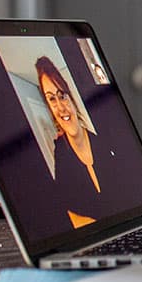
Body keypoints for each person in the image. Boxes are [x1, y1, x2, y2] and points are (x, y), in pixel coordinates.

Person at [36, 55, 111, 229]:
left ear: (71, 98)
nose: (61, 107)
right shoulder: (60, 152)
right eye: (51, 99)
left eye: (62, 96)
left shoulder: (104, 142)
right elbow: (65, 210)